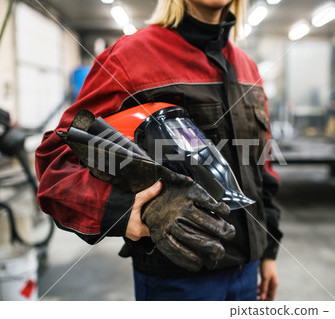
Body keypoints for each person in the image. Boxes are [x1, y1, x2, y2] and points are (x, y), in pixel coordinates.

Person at [35, 0, 282, 301]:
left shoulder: (247, 67)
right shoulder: (130, 58)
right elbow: (57, 160)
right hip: (177, 278)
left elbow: (261, 167)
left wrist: (268, 250)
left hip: (248, 271)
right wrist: (126, 211)